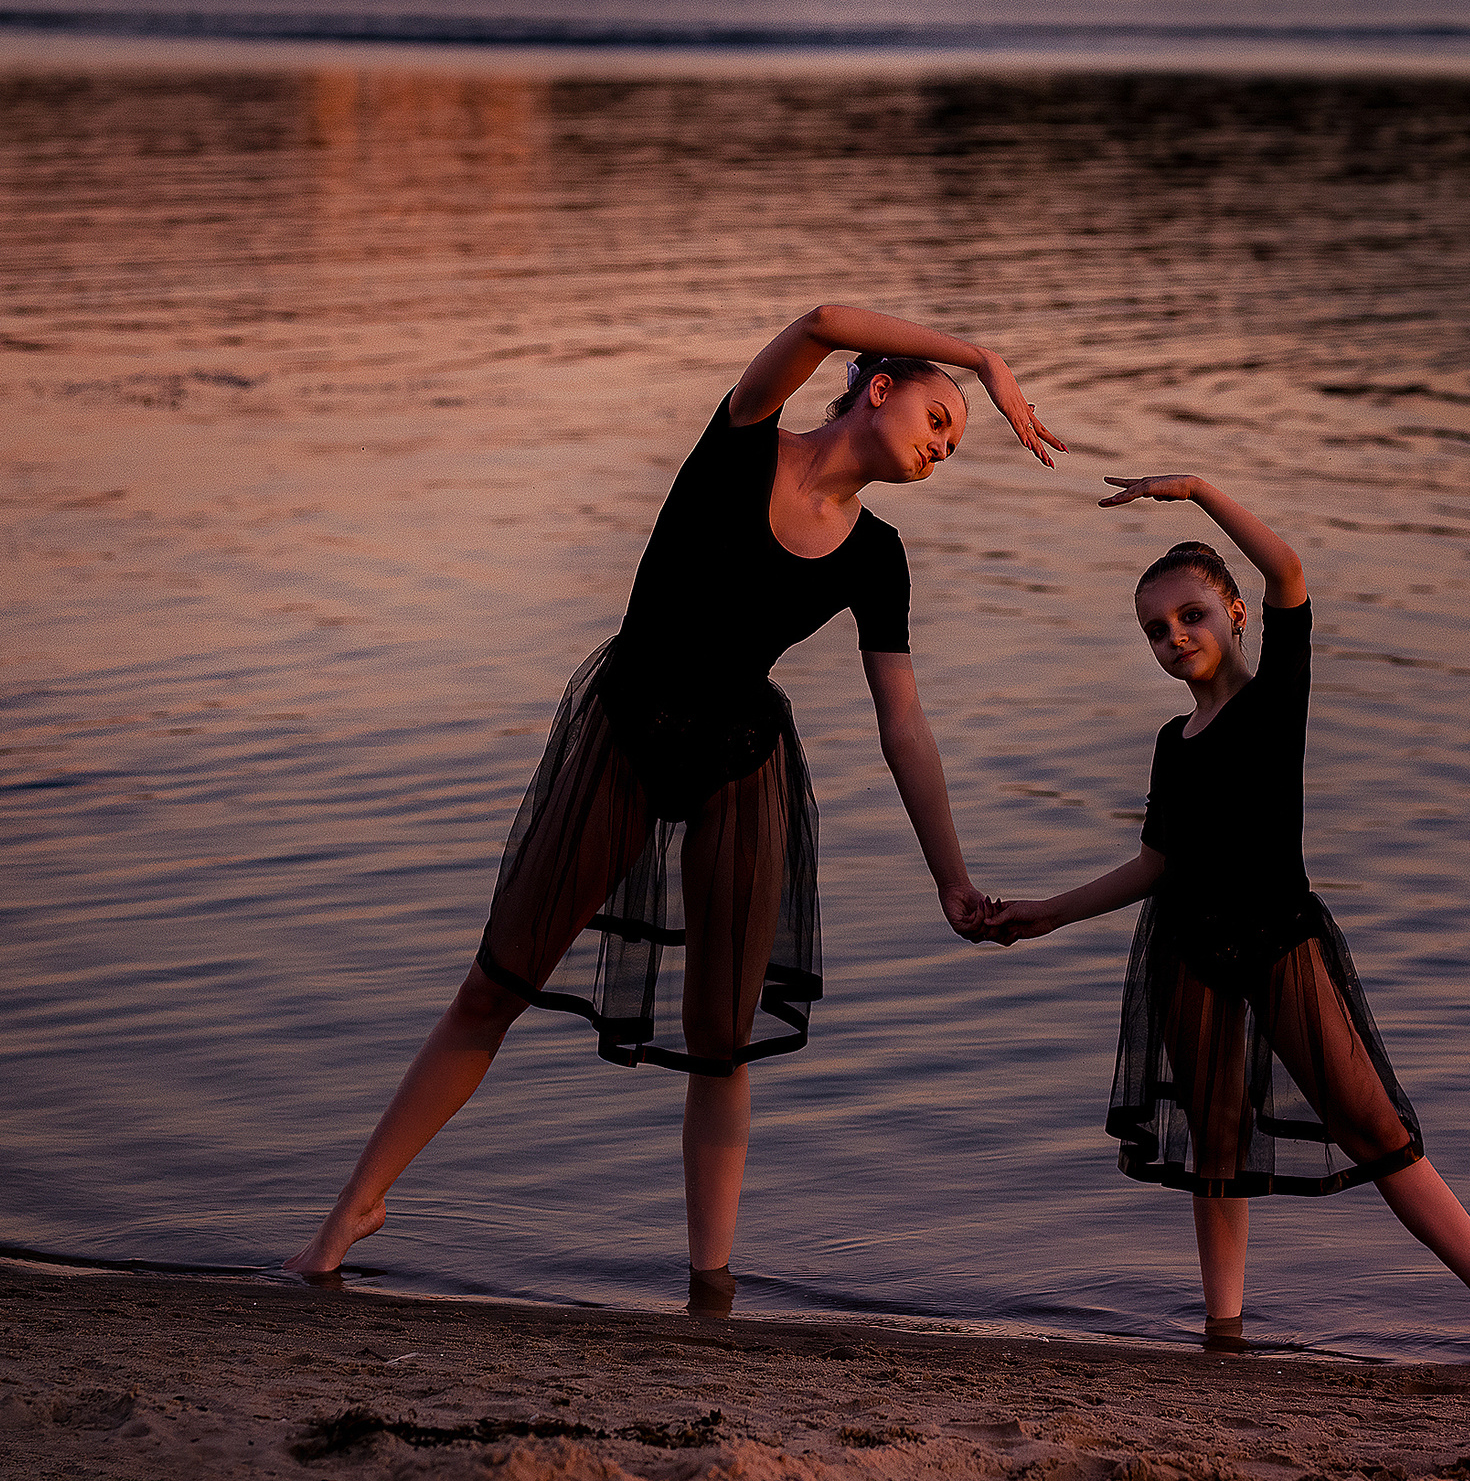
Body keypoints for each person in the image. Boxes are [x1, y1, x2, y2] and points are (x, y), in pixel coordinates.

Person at [287, 305, 1064, 1298]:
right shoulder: (742, 438)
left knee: (719, 1043)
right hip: (626, 732)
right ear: (880, 389)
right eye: (941, 417)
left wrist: (951, 880)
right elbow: (822, 319)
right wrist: (982, 358)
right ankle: (350, 1211)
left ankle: (711, 1285)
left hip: (742, 763)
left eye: (954, 441)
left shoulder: (877, 558)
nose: (945, 444)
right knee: (496, 985)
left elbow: (902, 724)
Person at [980, 474, 1470, 1358]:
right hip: (1185, 948)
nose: (1174, 637)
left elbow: (1290, 569)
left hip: (1279, 939)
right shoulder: (1169, 745)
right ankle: (1225, 1328)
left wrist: (1197, 491)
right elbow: (1157, 864)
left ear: (1235, 615)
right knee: (1214, 1140)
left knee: (1375, 1126)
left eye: (1191, 615)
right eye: (1156, 629)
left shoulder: (1274, 701)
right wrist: (1047, 913)